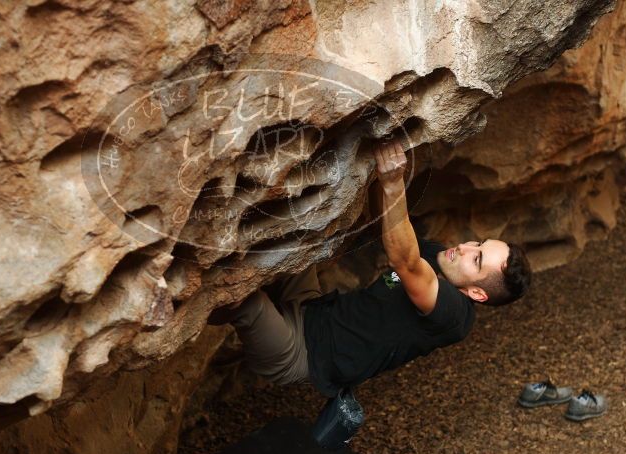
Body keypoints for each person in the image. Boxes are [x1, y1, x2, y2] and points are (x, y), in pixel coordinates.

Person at [209, 139, 532, 398]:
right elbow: (390, 225)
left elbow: (404, 260)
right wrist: (382, 165)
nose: (465, 248)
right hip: (312, 309)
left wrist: (393, 182)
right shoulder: (442, 259)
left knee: (241, 296)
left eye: (476, 259)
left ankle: (200, 311)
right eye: (477, 243)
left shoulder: (453, 314)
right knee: (296, 243)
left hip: (301, 355)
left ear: (476, 292)